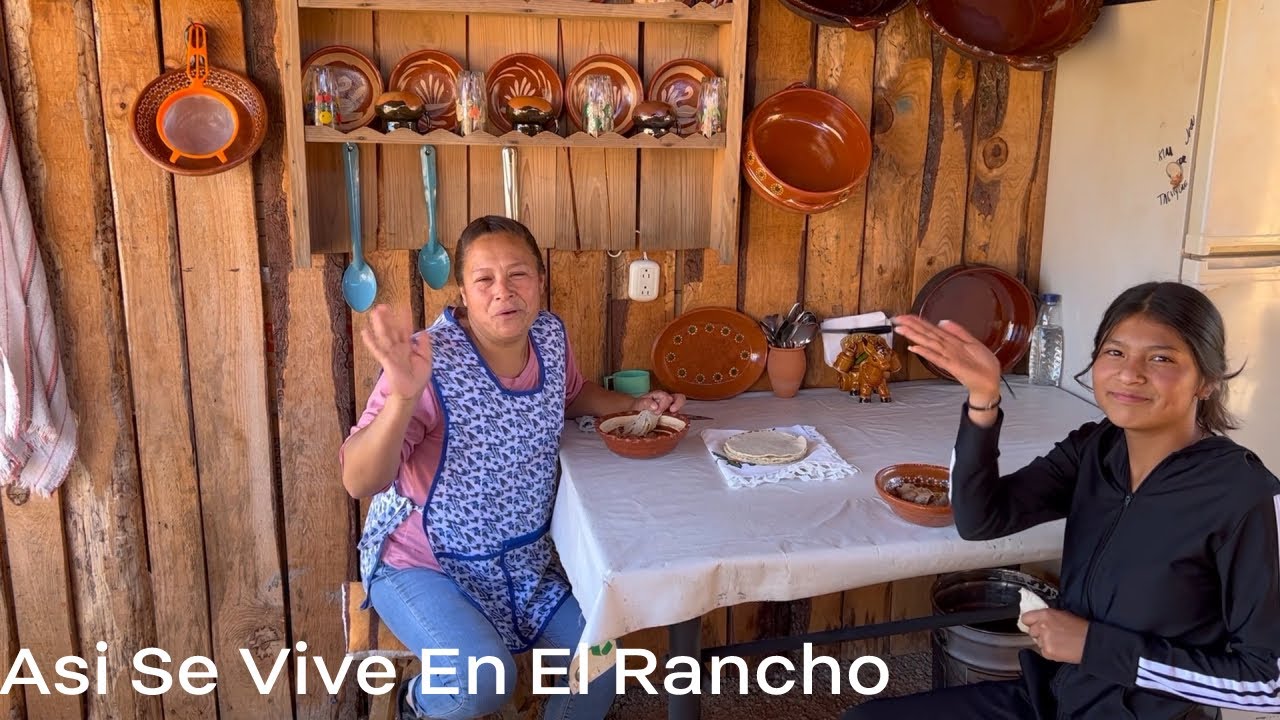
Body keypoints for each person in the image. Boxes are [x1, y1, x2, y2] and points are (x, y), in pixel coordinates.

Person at [845, 281, 1280, 720]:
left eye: (1161, 357)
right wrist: (983, 399)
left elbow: (1269, 684)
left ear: (1206, 381)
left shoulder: (1244, 495)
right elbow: (981, 519)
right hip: (1055, 699)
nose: (1130, 373)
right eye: (1115, 353)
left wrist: (1096, 647)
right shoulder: (1096, 448)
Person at [340, 215, 686, 720]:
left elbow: (569, 395)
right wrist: (403, 398)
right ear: (463, 290)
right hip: (424, 564)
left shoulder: (548, 335)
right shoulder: (426, 364)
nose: (503, 291)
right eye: (484, 279)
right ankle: (417, 704)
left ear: (540, 281)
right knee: (484, 682)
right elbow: (359, 480)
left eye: (518, 274)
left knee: (601, 666)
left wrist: (636, 409)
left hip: (523, 561)